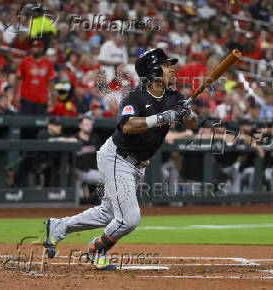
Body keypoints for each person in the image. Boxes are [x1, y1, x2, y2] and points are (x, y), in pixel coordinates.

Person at [43, 48, 198, 269]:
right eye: (166, 65)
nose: (171, 69)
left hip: (138, 164)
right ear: (153, 71)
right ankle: (97, 249)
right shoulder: (134, 97)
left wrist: (188, 114)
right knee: (129, 219)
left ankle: (58, 226)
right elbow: (127, 125)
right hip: (117, 157)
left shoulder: (174, 97)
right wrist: (161, 117)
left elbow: (193, 125)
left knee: (108, 212)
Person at [14, 40, 55, 115]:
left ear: (42, 49)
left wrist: (52, 100)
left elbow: (51, 83)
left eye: (37, 47)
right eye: (33, 47)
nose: (35, 49)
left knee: (40, 125)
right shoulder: (25, 61)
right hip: (26, 99)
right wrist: (15, 96)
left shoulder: (48, 63)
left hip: (42, 101)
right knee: (25, 124)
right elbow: (17, 79)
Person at [72, 117, 102, 199]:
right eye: (86, 124)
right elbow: (69, 159)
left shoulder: (95, 138)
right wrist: (74, 171)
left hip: (89, 172)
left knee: (107, 179)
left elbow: (100, 156)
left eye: (90, 124)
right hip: (76, 172)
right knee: (74, 199)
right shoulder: (73, 139)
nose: (89, 126)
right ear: (80, 126)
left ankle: (99, 203)